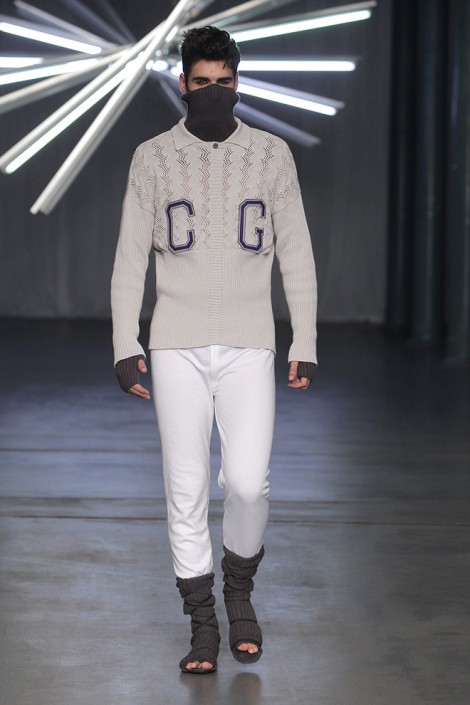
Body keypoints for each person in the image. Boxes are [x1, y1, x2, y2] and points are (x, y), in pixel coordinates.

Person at [111, 25, 317, 674]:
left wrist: (305, 338)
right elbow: (128, 258)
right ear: (182, 84)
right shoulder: (151, 157)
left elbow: (298, 251)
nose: (212, 92)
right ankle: (203, 621)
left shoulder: (272, 154)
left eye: (223, 82)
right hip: (175, 342)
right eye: (201, 82)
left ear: (237, 83)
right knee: (187, 487)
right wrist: (124, 341)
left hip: (251, 341)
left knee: (249, 485)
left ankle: (239, 588)